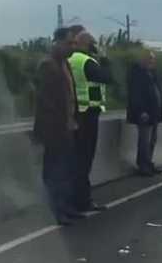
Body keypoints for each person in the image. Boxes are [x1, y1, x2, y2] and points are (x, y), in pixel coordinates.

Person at [32, 27, 85, 226]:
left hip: (67, 127)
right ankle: (55, 211)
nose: (73, 47)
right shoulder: (48, 65)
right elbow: (47, 102)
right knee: (54, 172)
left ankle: (65, 208)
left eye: (75, 43)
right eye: (70, 43)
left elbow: (70, 96)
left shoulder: (64, 64)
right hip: (54, 129)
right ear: (59, 42)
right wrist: (63, 122)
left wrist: (73, 119)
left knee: (65, 171)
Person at [67, 29, 114, 213]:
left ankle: (73, 199)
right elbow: (108, 78)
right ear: (91, 44)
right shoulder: (87, 62)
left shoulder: (70, 60)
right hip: (88, 114)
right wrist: (104, 58)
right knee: (84, 161)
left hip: (74, 113)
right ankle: (82, 201)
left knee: (75, 160)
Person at [126, 50, 162, 177]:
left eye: (153, 59)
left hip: (155, 113)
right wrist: (141, 111)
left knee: (152, 140)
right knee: (144, 140)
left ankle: (148, 163)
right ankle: (143, 165)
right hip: (144, 113)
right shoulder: (137, 74)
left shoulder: (152, 74)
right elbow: (135, 95)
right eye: (149, 58)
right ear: (142, 59)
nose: (151, 61)